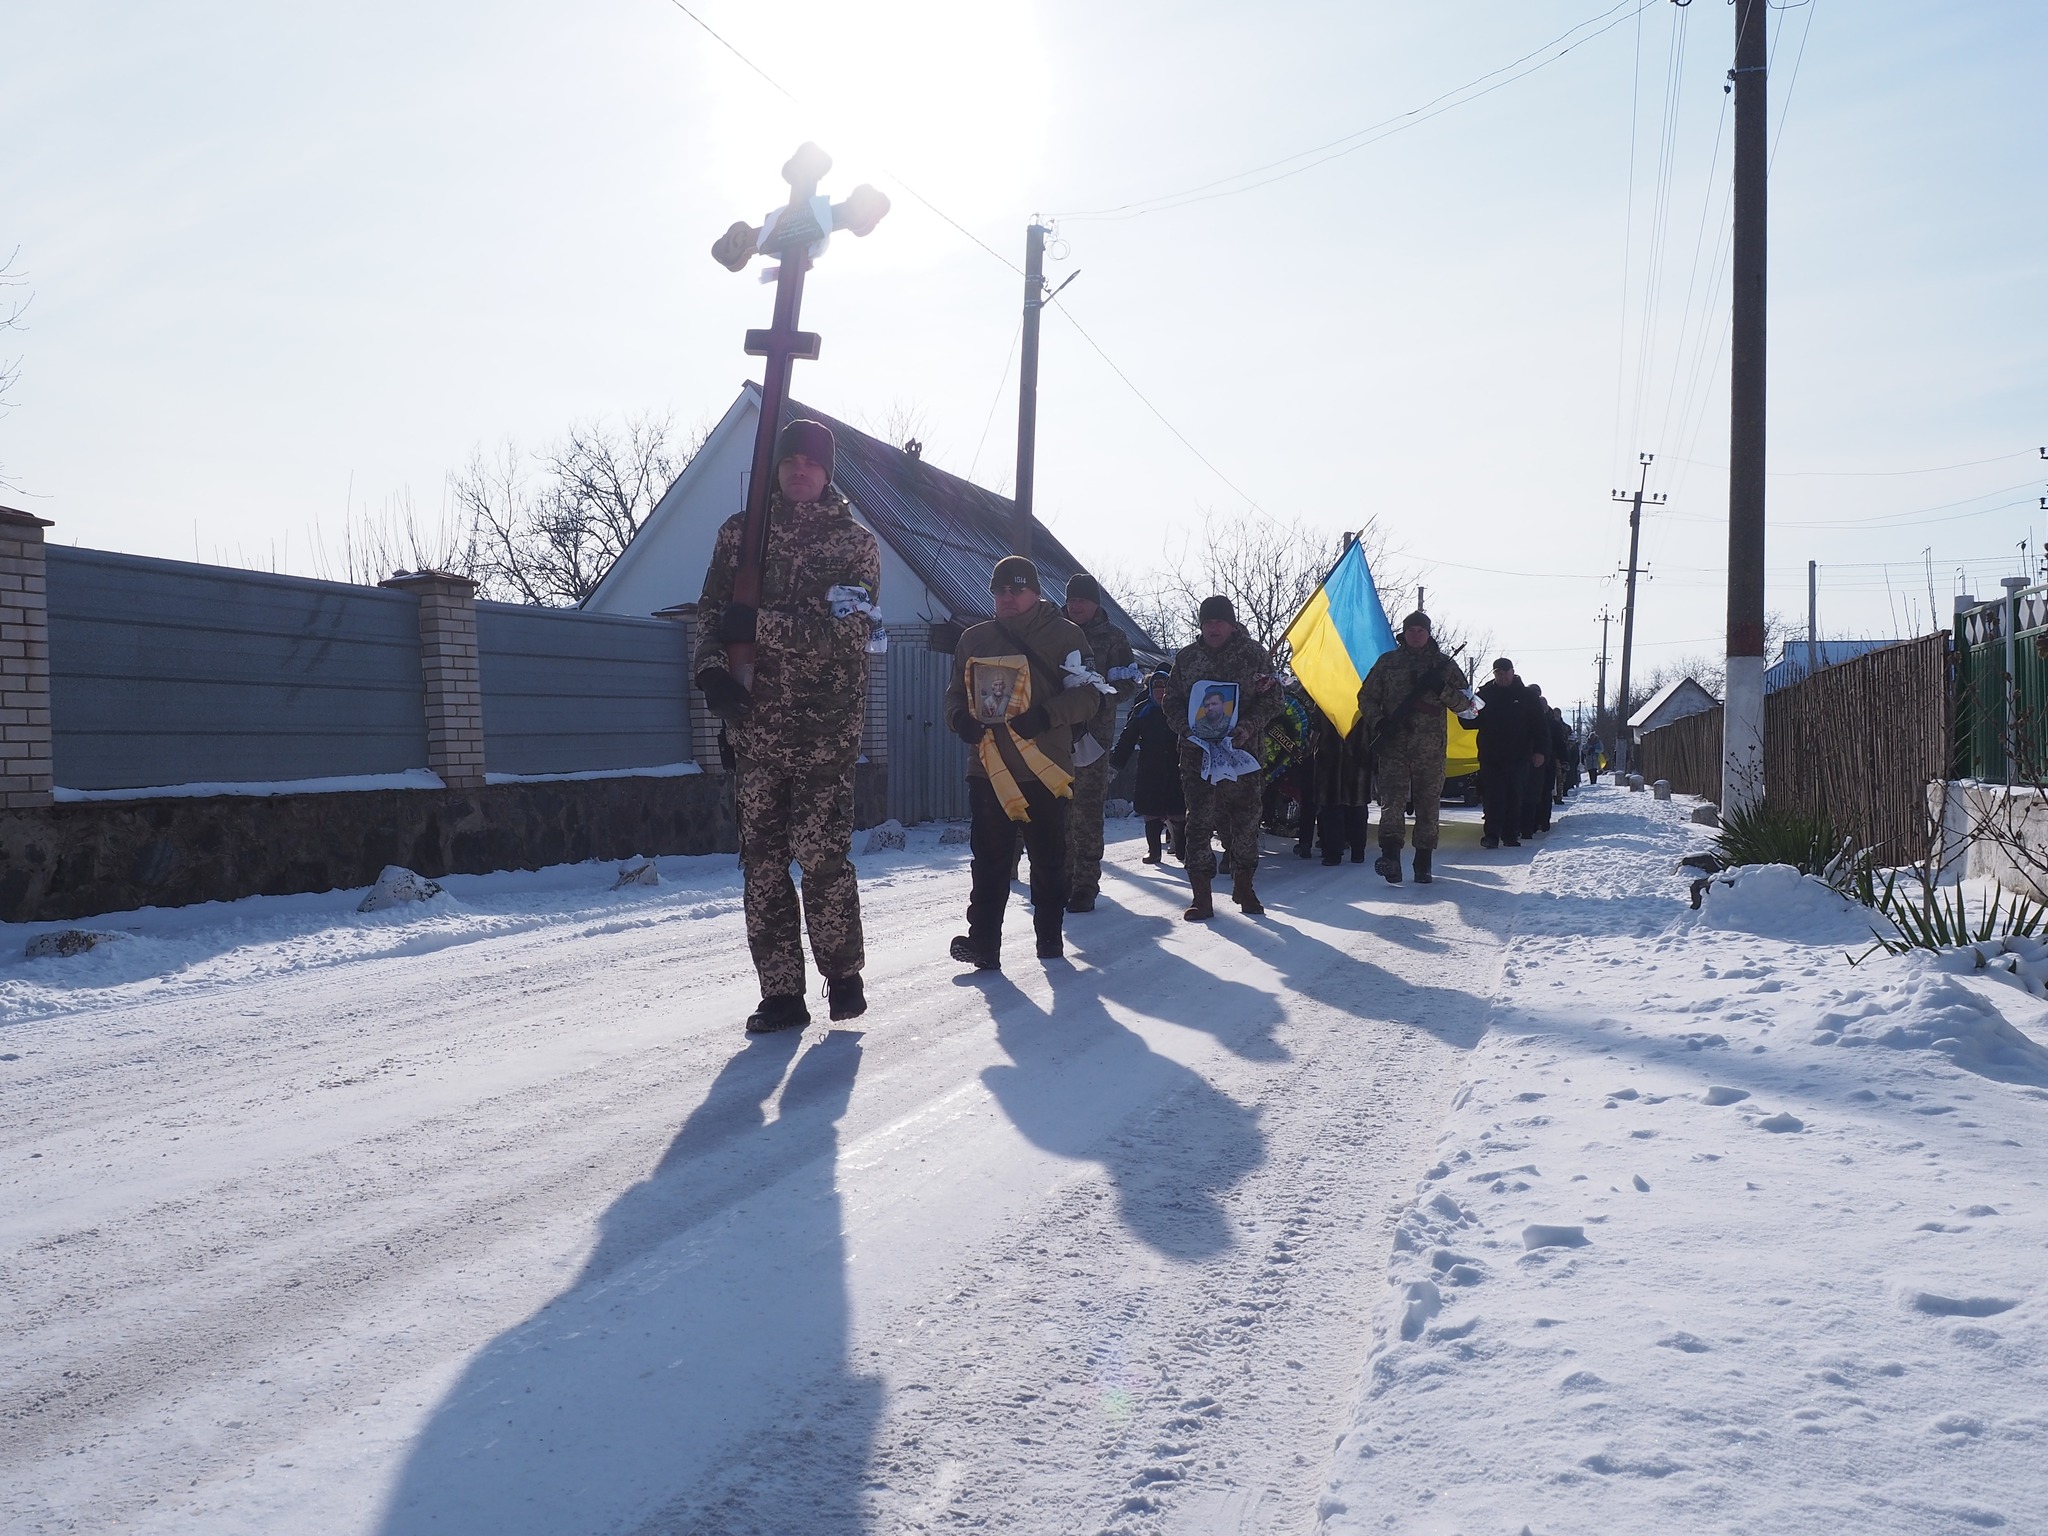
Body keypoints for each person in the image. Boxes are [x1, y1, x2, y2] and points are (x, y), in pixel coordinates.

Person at [694, 419, 881, 1034]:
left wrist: (757, 626)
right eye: (789, 461)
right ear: (776, 470)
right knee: (763, 865)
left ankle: (843, 975)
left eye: (811, 462)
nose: (799, 470)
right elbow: (711, 616)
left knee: (821, 855)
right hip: (755, 731)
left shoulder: (854, 544)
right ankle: (780, 994)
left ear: (828, 473)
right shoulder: (739, 534)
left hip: (825, 731)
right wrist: (712, 671)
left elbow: (847, 636)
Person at [945, 556, 1100, 970]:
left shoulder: (1065, 637)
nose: (1007, 598)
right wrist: (960, 719)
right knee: (989, 859)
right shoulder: (974, 640)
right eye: (1000, 590)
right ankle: (983, 945)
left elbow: (1090, 696)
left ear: (1035, 592)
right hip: (988, 768)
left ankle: (1049, 936)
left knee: (1048, 859)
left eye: (1016, 589)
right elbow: (954, 696)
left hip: (1044, 768)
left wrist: (1048, 715)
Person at [1166, 595, 1280, 920]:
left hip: (1240, 755)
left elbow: (1274, 698)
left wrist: (1247, 726)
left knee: (1245, 821)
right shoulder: (1187, 659)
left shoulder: (1253, 656)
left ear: (1231, 624)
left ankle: (1244, 885)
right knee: (1198, 822)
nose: (1213, 627)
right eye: (1208, 621)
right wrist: (1185, 730)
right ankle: (1201, 895)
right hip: (1197, 757)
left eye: (1219, 621)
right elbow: (1171, 701)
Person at [1356, 611, 1472, 885]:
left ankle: (1423, 862)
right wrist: (1379, 721)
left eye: (1421, 630)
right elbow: (1366, 697)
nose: (1416, 635)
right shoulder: (1388, 663)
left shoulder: (1444, 665)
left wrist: (1442, 689)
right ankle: (1391, 859)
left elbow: (1468, 707)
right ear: (1404, 633)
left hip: (1430, 750)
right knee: (1392, 804)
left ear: (1429, 633)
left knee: (1428, 806)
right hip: (1394, 747)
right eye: (1411, 630)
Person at [1060, 573, 1137, 913]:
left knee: (1087, 812)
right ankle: (1058, 878)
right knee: (1055, 810)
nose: (1076, 606)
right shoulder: (1053, 631)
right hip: (1054, 734)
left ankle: (1085, 885)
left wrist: (1100, 699)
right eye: (1072, 600)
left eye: (1083, 601)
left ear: (1095, 604)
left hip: (1093, 738)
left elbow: (1130, 684)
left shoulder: (1114, 638)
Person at [1111, 667, 1187, 864]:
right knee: (1151, 813)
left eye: (1165, 688)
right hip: (1150, 770)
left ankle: (1181, 847)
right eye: (1157, 688)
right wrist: (1115, 764)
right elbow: (1127, 739)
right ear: (1151, 689)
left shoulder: (1181, 710)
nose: (1161, 692)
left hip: (1176, 769)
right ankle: (1154, 851)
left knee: (1178, 813)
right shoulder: (1142, 711)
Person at [1475, 658, 1538, 850]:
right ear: (1494, 674)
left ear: (1512, 672)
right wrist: (1466, 710)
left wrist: (1540, 751)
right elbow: (1469, 722)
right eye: (1498, 673)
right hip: (1491, 755)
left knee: (1514, 795)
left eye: (1505, 672)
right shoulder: (1484, 695)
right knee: (1493, 796)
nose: (1502, 677)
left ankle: (1510, 834)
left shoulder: (1527, 696)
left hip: (1518, 755)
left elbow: (1540, 727)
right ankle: (1492, 835)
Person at [1311, 706, 1373, 865]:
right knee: (1356, 803)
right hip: (1357, 754)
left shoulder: (1326, 694)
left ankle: (1334, 852)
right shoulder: (1362, 692)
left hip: (1332, 755)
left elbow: (1315, 724)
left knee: (1333, 805)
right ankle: (1357, 851)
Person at [1518, 684, 1556, 836]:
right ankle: (1533, 824)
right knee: (1535, 794)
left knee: (1532, 794)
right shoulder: (1523, 715)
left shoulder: (1548, 722)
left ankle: (1531, 825)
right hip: (1531, 759)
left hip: (1539, 760)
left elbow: (1551, 740)